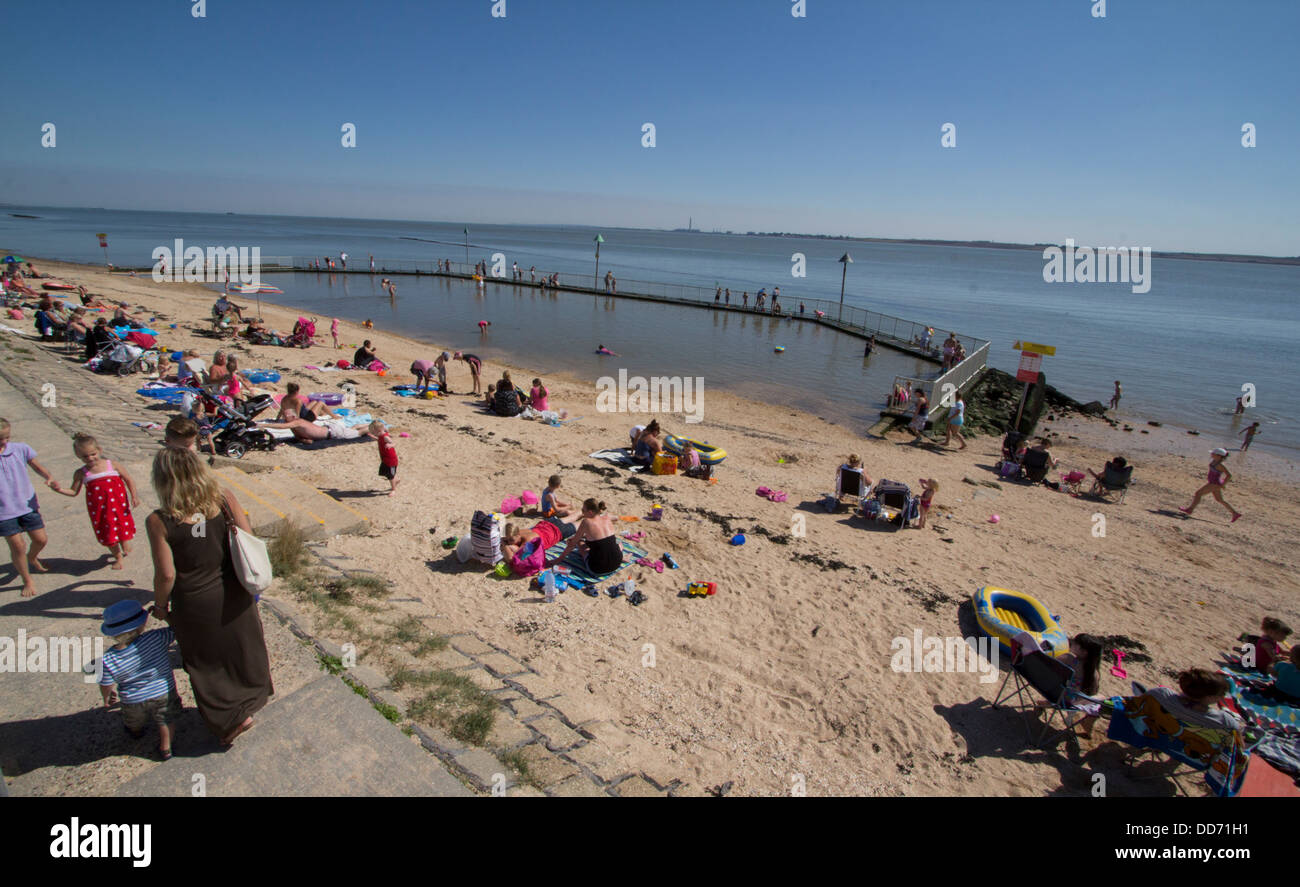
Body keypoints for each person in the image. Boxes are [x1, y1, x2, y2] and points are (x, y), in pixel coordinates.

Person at [146, 447, 272, 745]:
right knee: (240, 648)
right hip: (234, 590)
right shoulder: (223, 498)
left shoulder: (159, 521)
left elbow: (166, 574)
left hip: (195, 601)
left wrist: (161, 606)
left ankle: (229, 721)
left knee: (206, 664)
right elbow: (246, 534)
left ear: (162, 480)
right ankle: (249, 703)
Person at [97, 600, 184, 761]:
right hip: (163, 691)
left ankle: (135, 731)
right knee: (166, 720)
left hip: (132, 699)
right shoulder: (157, 637)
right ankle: (166, 747)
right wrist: (165, 616)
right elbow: (178, 630)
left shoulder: (107, 659)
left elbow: (105, 683)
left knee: (133, 720)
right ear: (141, 625)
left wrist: (107, 696)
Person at [51, 433, 139, 570]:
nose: (90, 458)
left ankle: (124, 542)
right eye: (85, 456)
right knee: (107, 531)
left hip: (118, 506)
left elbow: (128, 479)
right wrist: (58, 489)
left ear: (99, 450)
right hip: (100, 510)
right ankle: (118, 557)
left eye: (93, 454)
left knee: (122, 526)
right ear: (78, 456)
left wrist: (134, 496)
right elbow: (73, 492)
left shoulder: (113, 465)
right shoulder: (81, 473)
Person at [0, 419, 56, 597]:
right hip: (4, 511)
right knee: (17, 546)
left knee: (41, 539)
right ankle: (27, 579)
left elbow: (37, 466)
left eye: (6, 437)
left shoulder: (20, 449)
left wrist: (49, 477)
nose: (4, 442)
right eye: (0, 439)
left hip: (27, 505)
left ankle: (31, 557)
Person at [1146, 668, 1244, 732]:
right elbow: (1237, 739)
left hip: (1158, 734)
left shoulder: (1160, 694)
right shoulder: (1225, 721)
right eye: (1222, 694)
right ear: (1210, 697)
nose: (1223, 697)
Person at [546, 499, 621, 574]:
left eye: (583, 510)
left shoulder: (586, 522)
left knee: (580, 543)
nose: (582, 513)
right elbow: (596, 536)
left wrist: (559, 559)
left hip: (598, 568)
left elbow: (572, 544)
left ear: (590, 512)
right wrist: (584, 537)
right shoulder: (607, 518)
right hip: (617, 563)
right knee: (614, 544)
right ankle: (623, 557)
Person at [1179, 448, 1242, 522]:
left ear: (1219, 456)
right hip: (1212, 482)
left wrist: (1223, 484)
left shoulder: (1220, 465)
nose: (1211, 454)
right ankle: (1235, 513)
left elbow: (1229, 475)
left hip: (1215, 483)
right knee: (1219, 500)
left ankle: (1190, 509)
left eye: (1213, 453)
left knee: (1198, 493)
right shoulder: (1214, 461)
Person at [367, 421, 398, 495]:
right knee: (386, 472)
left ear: (378, 430)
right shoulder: (380, 436)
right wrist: (374, 437)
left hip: (390, 459)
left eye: (373, 432)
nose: (373, 433)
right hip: (385, 458)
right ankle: (396, 479)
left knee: (390, 476)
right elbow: (380, 440)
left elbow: (394, 442)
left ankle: (393, 489)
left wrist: (391, 445)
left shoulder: (385, 437)